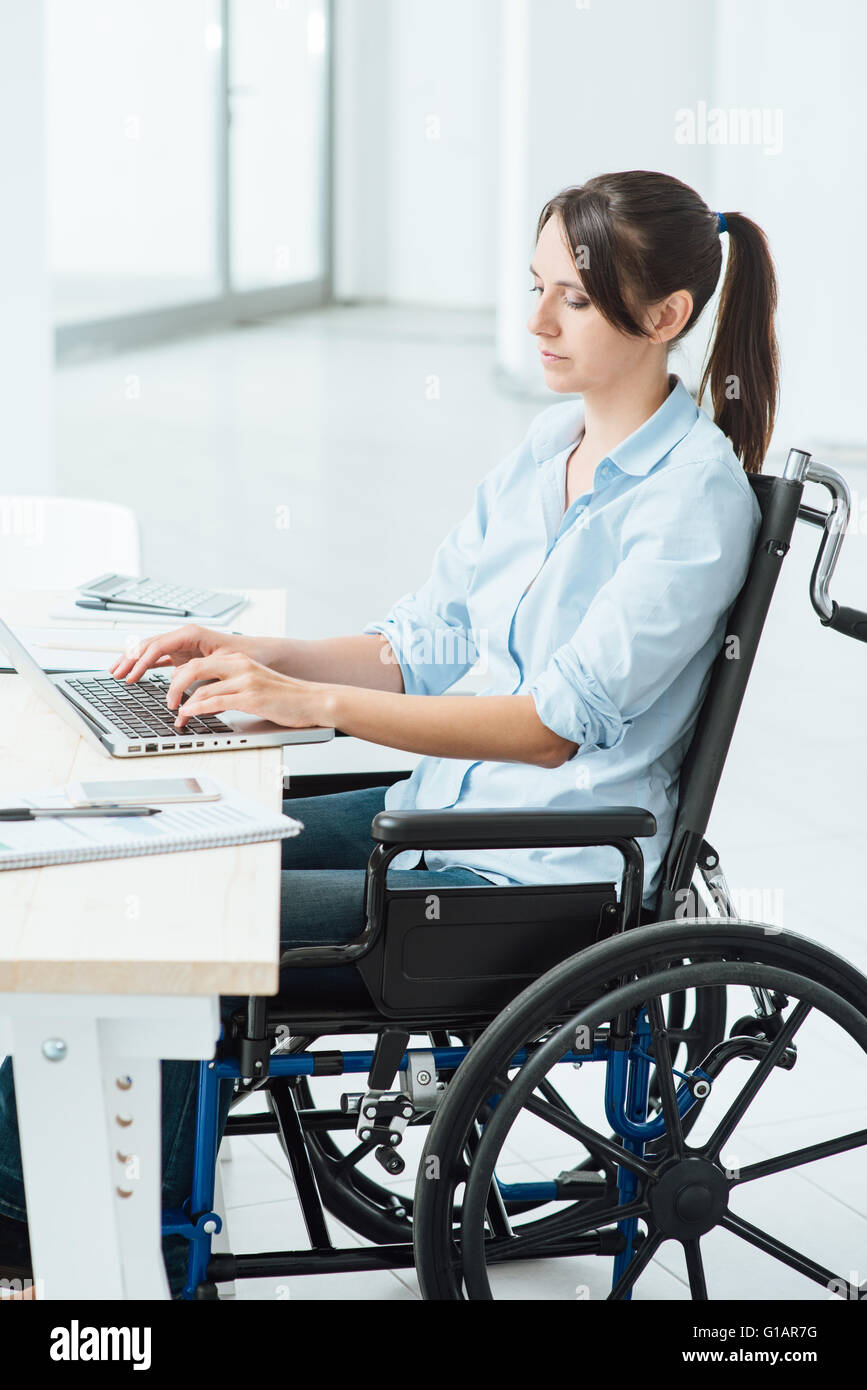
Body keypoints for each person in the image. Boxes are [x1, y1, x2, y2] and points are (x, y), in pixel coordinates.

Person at [0, 169, 778, 1298]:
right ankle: (65, 1196)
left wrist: (320, 708)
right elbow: (429, 636)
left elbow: (552, 732)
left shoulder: (691, 505)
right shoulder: (549, 452)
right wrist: (267, 664)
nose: (536, 323)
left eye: (572, 299)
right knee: (171, 840)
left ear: (663, 318)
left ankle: (54, 1234)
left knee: (159, 916)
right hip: (447, 815)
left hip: (530, 867)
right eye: (535, 288)